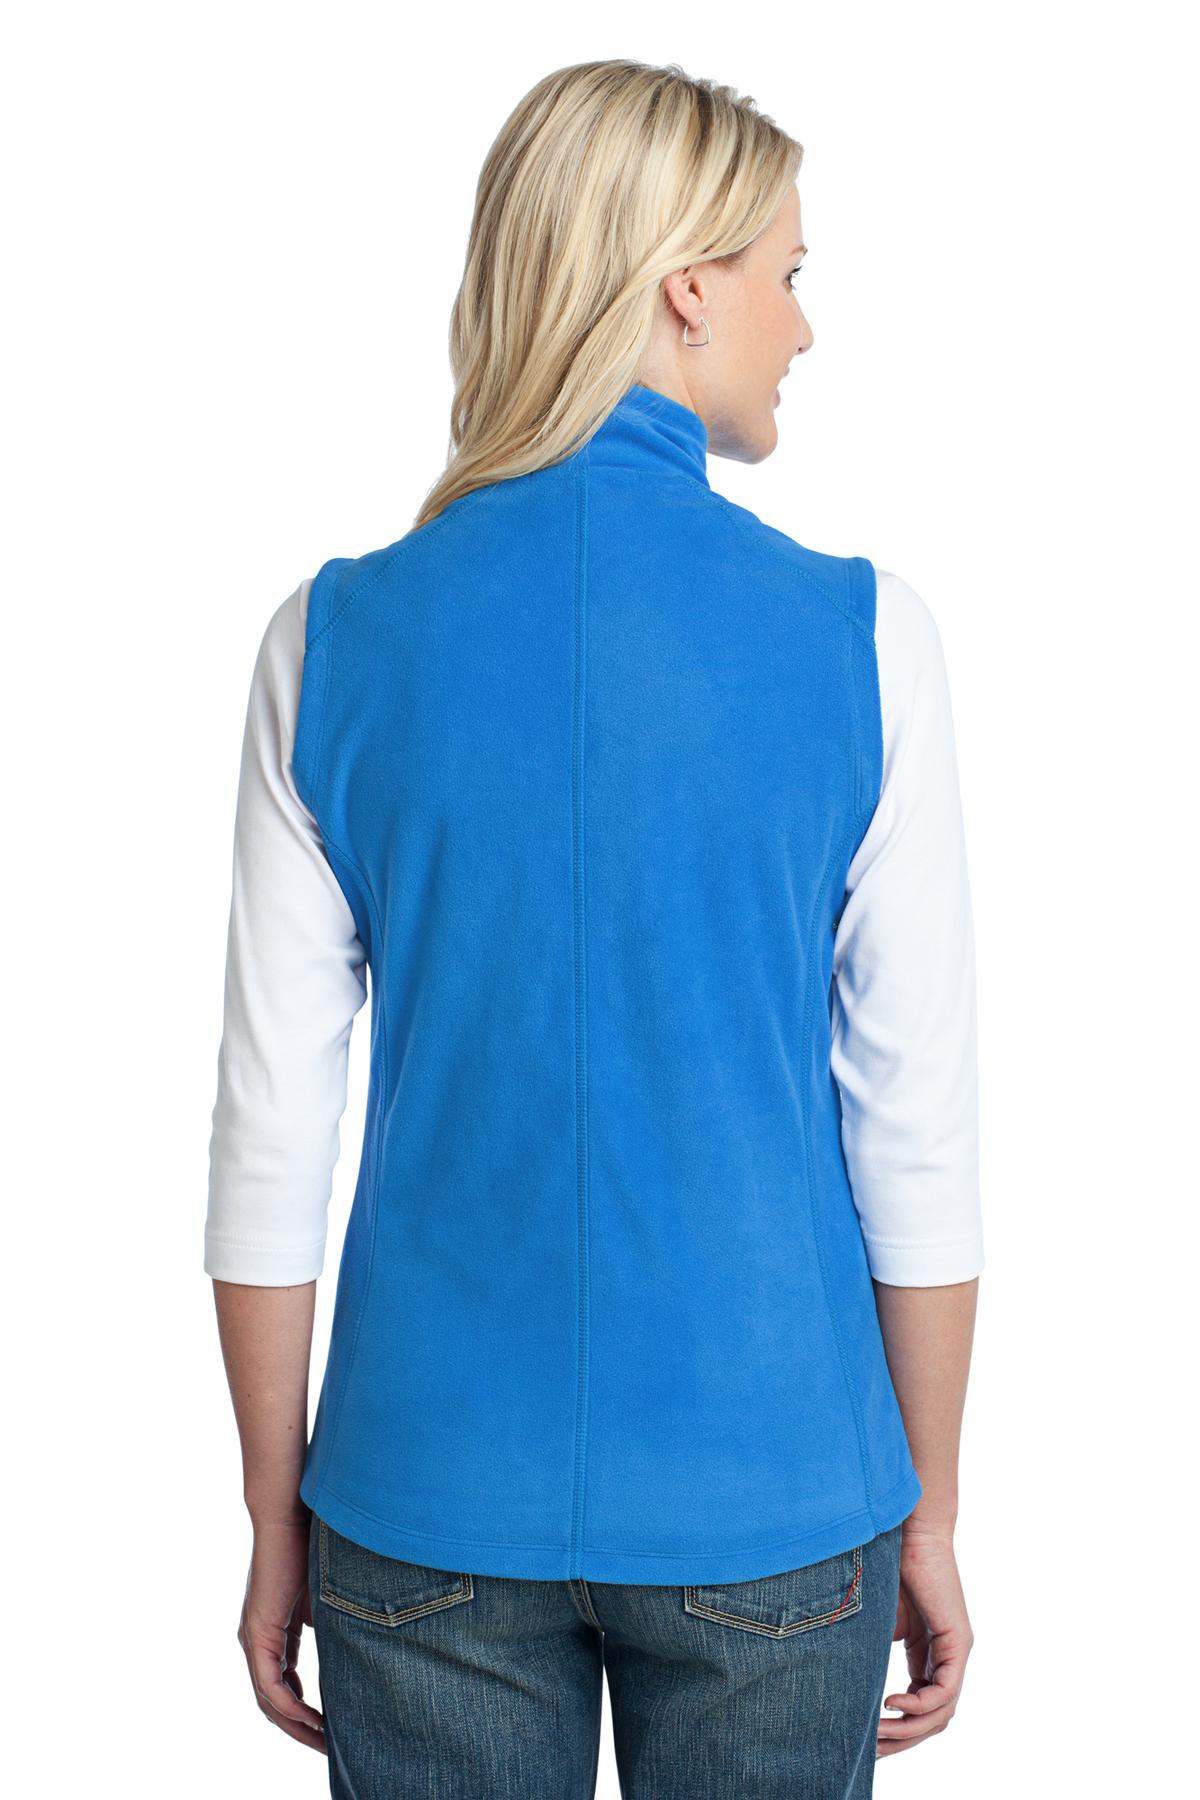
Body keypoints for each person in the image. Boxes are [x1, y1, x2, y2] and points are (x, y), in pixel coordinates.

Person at [205, 57, 983, 1800]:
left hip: (418, 1501)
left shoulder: (331, 641)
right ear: (687, 288)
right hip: (779, 1498)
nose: (803, 325)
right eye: (788, 272)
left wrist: (272, 1517)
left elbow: (270, 1136)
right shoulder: (863, 644)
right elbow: (915, 1129)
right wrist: (929, 1508)